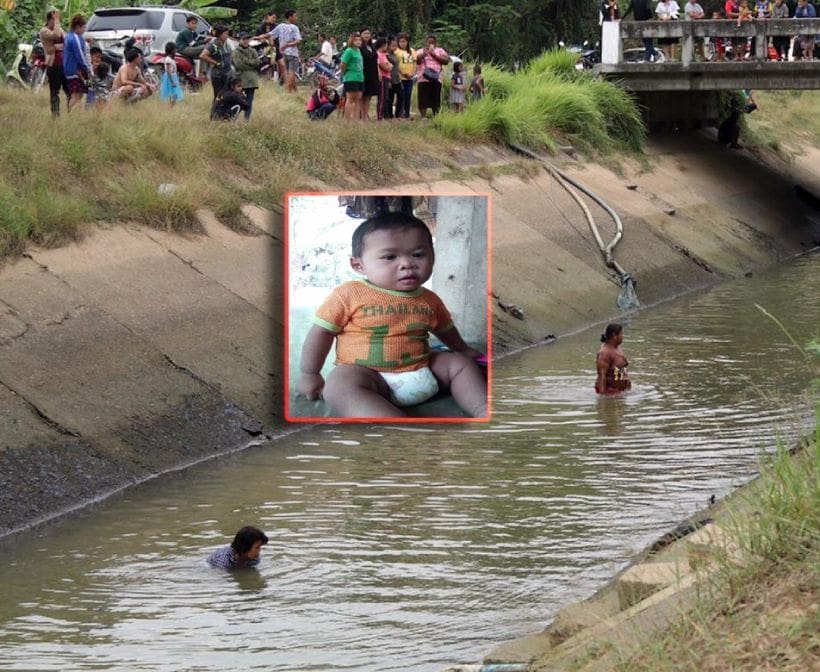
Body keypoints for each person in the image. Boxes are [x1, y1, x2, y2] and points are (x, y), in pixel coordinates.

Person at [297, 212, 488, 418]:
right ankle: (394, 426)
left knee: (460, 364)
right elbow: (321, 332)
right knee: (339, 385)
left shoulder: (429, 299)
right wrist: (310, 373)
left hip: (423, 371)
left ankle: (483, 409)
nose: (407, 263)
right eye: (390, 257)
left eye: (418, 254)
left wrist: (462, 349)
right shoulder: (348, 294)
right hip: (370, 378)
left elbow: (445, 329)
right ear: (358, 265)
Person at [40, 8, 69, 117]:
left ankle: (72, 113)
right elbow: (56, 36)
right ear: (48, 20)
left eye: (56, 19)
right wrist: (57, 22)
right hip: (53, 65)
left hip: (64, 64)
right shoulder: (44, 31)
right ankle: (55, 116)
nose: (55, 21)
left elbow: (66, 42)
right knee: (55, 92)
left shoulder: (59, 28)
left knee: (69, 91)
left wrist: (57, 46)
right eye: (53, 19)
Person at [415, 34, 449, 118]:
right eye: (429, 42)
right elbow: (416, 61)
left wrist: (435, 55)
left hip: (437, 77)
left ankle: (436, 115)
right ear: (426, 42)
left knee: (436, 96)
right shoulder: (420, 51)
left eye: (432, 42)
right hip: (423, 77)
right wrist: (424, 55)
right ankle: (423, 116)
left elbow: (446, 61)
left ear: (435, 43)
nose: (430, 44)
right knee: (423, 97)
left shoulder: (440, 50)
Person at [63, 13, 90, 112]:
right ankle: (70, 114)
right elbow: (80, 56)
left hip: (69, 69)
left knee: (79, 94)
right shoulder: (75, 38)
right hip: (75, 70)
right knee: (76, 95)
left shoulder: (68, 36)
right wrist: (87, 69)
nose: (84, 30)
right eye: (83, 27)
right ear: (78, 27)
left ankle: (72, 113)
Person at [595, 323, 631, 395]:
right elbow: (602, 376)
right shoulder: (604, 353)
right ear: (615, 336)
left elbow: (621, 370)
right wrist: (603, 401)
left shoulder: (617, 348)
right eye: (621, 334)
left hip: (620, 392)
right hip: (611, 393)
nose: (622, 337)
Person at [200, 24, 232, 101]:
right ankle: (214, 112)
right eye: (225, 34)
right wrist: (216, 63)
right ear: (220, 35)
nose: (227, 36)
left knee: (226, 94)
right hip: (217, 74)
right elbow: (203, 55)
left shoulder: (226, 44)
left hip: (227, 73)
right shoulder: (213, 45)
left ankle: (223, 112)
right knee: (218, 95)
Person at [272, 9, 302, 92]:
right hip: (292, 53)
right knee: (292, 73)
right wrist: (288, 45)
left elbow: (271, 35)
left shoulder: (280, 26)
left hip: (284, 54)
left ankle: (295, 92)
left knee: (289, 73)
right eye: (295, 16)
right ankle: (288, 92)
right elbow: (298, 40)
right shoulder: (294, 27)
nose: (296, 18)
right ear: (290, 17)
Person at [233, 31, 260, 120]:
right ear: (239, 40)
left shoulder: (252, 50)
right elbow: (239, 65)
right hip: (240, 79)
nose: (246, 41)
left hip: (252, 80)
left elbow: (257, 62)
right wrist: (251, 63)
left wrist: (246, 61)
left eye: (247, 39)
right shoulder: (236, 51)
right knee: (237, 100)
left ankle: (246, 119)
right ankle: (233, 117)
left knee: (249, 101)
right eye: (244, 39)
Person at [340, 32, 364, 121]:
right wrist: (344, 73)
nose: (358, 42)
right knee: (350, 99)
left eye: (359, 40)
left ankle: (356, 119)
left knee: (358, 99)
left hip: (360, 77)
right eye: (356, 40)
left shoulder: (358, 51)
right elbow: (343, 64)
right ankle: (348, 120)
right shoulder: (349, 50)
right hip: (351, 77)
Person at [359, 28, 379, 120]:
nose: (367, 35)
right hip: (363, 73)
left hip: (372, 74)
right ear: (360, 35)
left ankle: (365, 116)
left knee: (368, 96)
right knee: (361, 96)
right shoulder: (359, 46)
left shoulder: (372, 46)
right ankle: (359, 116)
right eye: (364, 33)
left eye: (368, 33)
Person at [395, 33, 415, 119]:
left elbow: (415, 63)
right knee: (401, 96)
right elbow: (395, 64)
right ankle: (400, 112)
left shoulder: (412, 51)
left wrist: (412, 73)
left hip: (410, 78)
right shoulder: (396, 51)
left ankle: (407, 113)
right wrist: (403, 73)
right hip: (400, 78)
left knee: (408, 95)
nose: (403, 43)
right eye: (401, 41)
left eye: (405, 41)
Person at [159, 42, 184, 106]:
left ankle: (172, 106)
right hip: (170, 78)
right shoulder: (168, 60)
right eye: (175, 49)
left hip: (174, 77)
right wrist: (172, 81)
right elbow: (168, 71)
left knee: (174, 93)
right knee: (173, 93)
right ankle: (171, 106)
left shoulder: (171, 59)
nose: (176, 51)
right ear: (172, 50)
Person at [375, 37, 392, 120]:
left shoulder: (384, 55)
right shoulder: (378, 54)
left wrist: (389, 65)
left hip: (387, 77)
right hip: (383, 77)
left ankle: (382, 115)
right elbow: (387, 67)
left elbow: (390, 66)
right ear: (383, 45)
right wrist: (389, 65)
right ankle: (380, 116)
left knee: (385, 97)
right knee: (382, 98)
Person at [386, 36, 402, 119]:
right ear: (388, 45)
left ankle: (398, 114)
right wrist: (388, 81)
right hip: (390, 79)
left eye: (396, 45)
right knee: (390, 98)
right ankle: (390, 115)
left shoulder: (394, 54)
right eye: (393, 45)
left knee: (400, 96)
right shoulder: (387, 55)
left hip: (397, 78)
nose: (395, 47)